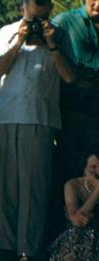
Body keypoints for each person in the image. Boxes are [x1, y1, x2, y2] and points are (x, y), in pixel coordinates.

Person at [0, 0, 76, 261]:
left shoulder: (60, 36)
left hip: (40, 119)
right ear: (22, 7)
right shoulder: (7, 31)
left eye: (43, 5)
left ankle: (29, 249)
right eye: (33, 5)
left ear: (50, 8)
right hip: (7, 116)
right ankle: (4, 246)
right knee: (4, 186)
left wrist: (51, 45)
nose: (38, 10)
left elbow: (69, 76)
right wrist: (19, 41)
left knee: (33, 186)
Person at [53, 0, 99, 191]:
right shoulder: (65, 21)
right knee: (69, 171)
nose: (96, 3)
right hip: (72, 113)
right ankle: (68, 219)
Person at [50, 147, 99, 261]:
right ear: (84, 168)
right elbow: (78, 220)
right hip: (78, 242)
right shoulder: (73, 185)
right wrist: (97, 192)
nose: (97, 171)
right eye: (93, 167)